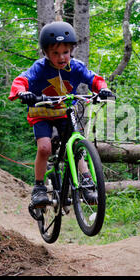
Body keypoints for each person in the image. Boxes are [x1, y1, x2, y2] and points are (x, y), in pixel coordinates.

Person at [9, 21, 115, 209]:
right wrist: (21, 92)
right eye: (55, 53)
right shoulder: (39, 68)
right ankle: (39, 187)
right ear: (46, 53)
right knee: (44, 148)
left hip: (64, 111)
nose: (61, 57)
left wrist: (103, 89)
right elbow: (21, 80)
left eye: (65, 52)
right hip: (41, 112)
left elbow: (94, 79)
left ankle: (87, 182)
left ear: (71, 51)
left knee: (76, 146)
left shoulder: (76, 67)